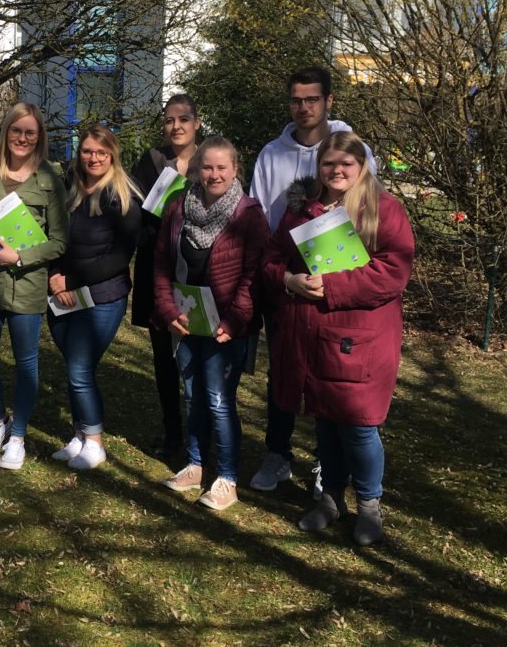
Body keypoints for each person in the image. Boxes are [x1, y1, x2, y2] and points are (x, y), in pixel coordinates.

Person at [261, 132, 413, 545]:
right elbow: (271, 258)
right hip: (310, 333)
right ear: (319, 166)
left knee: (359, 425)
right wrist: (289, 279)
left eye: (346, 163)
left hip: (359, 339)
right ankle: (330, 498)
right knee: (325, 420)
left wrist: (332, 285)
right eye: (329, 163)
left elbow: (392, 273)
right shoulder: (302, 209)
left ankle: (369, 503)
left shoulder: (382, 210)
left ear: (362, 166)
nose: (337, 170)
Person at [248, 66, 376, 494]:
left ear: (329, 102)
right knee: (282, 373)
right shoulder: (271, 154)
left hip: (338, 290)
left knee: (329, 375)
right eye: (296, 100)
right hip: (286, 284)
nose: (304, 108)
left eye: (313, 99)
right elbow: (262, 217)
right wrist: (280, 277)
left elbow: (369, 213)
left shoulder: (354, 149)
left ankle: (326, 464)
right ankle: (277, 454)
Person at [151, 138, 270, 510]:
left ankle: (228, 478)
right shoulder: (178, 207)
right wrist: (168, 309)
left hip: (227, 325)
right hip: (187, 321)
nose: (214, 174)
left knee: (219, 400)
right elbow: (160, 264)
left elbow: (255, 275)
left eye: (222, 167)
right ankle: (196, 464)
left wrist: (236, 320)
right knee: (192, 396)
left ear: (235, 170)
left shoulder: (249, 214)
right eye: (207, 167)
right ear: (197, 169)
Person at [0, 103, 68, 470]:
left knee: (27, 365)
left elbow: (60, 241)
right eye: (16, 131)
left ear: (39, 136)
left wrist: (22, 257)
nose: (23, 138)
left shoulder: (50, 179)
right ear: (5, 132)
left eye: (30, 132)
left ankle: (19, 435)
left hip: (27, 286)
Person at [47, 125, 142, 471]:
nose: (94, 158)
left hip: (103, 296)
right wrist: (55, 276)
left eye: (101, 152)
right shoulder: (68, 186)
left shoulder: (124, 196)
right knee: (73, 364)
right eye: (87, 151)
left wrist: (71, 279)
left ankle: (96, 443)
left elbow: (119, 257)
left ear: (112, 155)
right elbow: (52, 235)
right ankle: (79, 434)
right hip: (61, 292)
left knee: (80, 368)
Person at [131, 94, 202, 457]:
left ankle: (200, 436)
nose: (176, 126)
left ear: (197, 122)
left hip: (199, 274)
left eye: (183, 119)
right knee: (163, 357)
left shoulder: (211, 161)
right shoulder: (152, 161)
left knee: (200, 355)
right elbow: (136, 214)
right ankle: (172, 432)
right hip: (156, 269)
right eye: (169, 120)